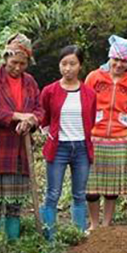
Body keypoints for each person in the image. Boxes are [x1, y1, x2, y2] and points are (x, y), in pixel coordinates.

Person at [0, 33, 44, 253]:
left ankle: (13, 249)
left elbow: (39, 109)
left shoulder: (30, 82)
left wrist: (31, 121)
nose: (17, 67)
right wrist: (18, 116)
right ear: (5, 58)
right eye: (13, 62)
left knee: (15, 205)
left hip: (18, 150)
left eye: (22, 63)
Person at [84, 35, 127, 229]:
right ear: (110, 58)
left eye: (124, 61)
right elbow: (84, 103)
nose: (119, 64)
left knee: (112, 188)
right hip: (94, 137)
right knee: (91, 186)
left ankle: (106, 224)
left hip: (119, 139)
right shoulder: (94, 77)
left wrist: (123, 124)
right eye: (116, 59)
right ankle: (93, 224)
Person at [39, 45, 97, 238]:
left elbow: (91, 117)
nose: (68, 68)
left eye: (72, 64)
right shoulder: (49, 91)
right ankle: (49, 236)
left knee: (79, 194)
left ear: (80, 65)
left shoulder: (89, 93)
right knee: (53, 193)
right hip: (59, 147)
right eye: (64, 64)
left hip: (81, 147)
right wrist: (49, 133)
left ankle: (77, 234)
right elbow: (43, 116)